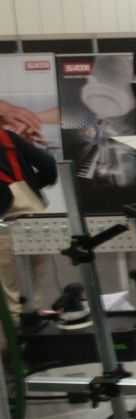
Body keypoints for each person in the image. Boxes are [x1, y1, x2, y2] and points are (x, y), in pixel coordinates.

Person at [0, 127, 58, 317]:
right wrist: (31, 184)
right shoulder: (7, 137)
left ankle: (18, 327)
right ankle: (34, 318)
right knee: (35, 279)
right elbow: (48, 166)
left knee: (11, 287)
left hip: (5, 219)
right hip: (35, 214)